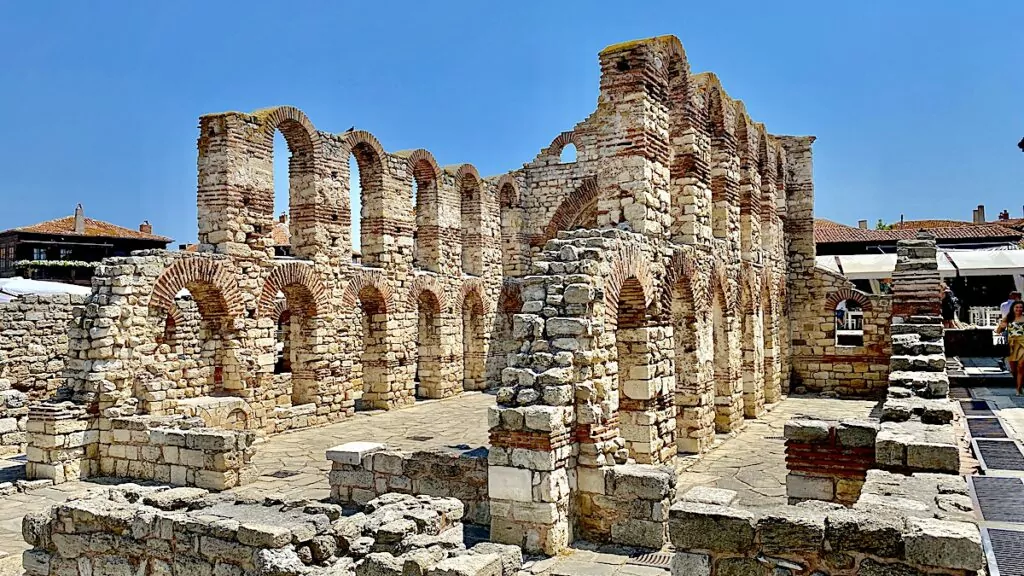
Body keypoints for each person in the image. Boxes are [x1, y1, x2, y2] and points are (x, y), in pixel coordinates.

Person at [996, 300, 1024, 395]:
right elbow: (998, 330)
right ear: (1013, 308)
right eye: (1017, 307)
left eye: (1020, 307)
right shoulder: (1009, 318)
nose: (1019, 309)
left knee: (1020, 366)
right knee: (1013, 369)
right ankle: (1018, 383)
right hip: (1011, 345)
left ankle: (1019, 388)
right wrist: (1002, 326)